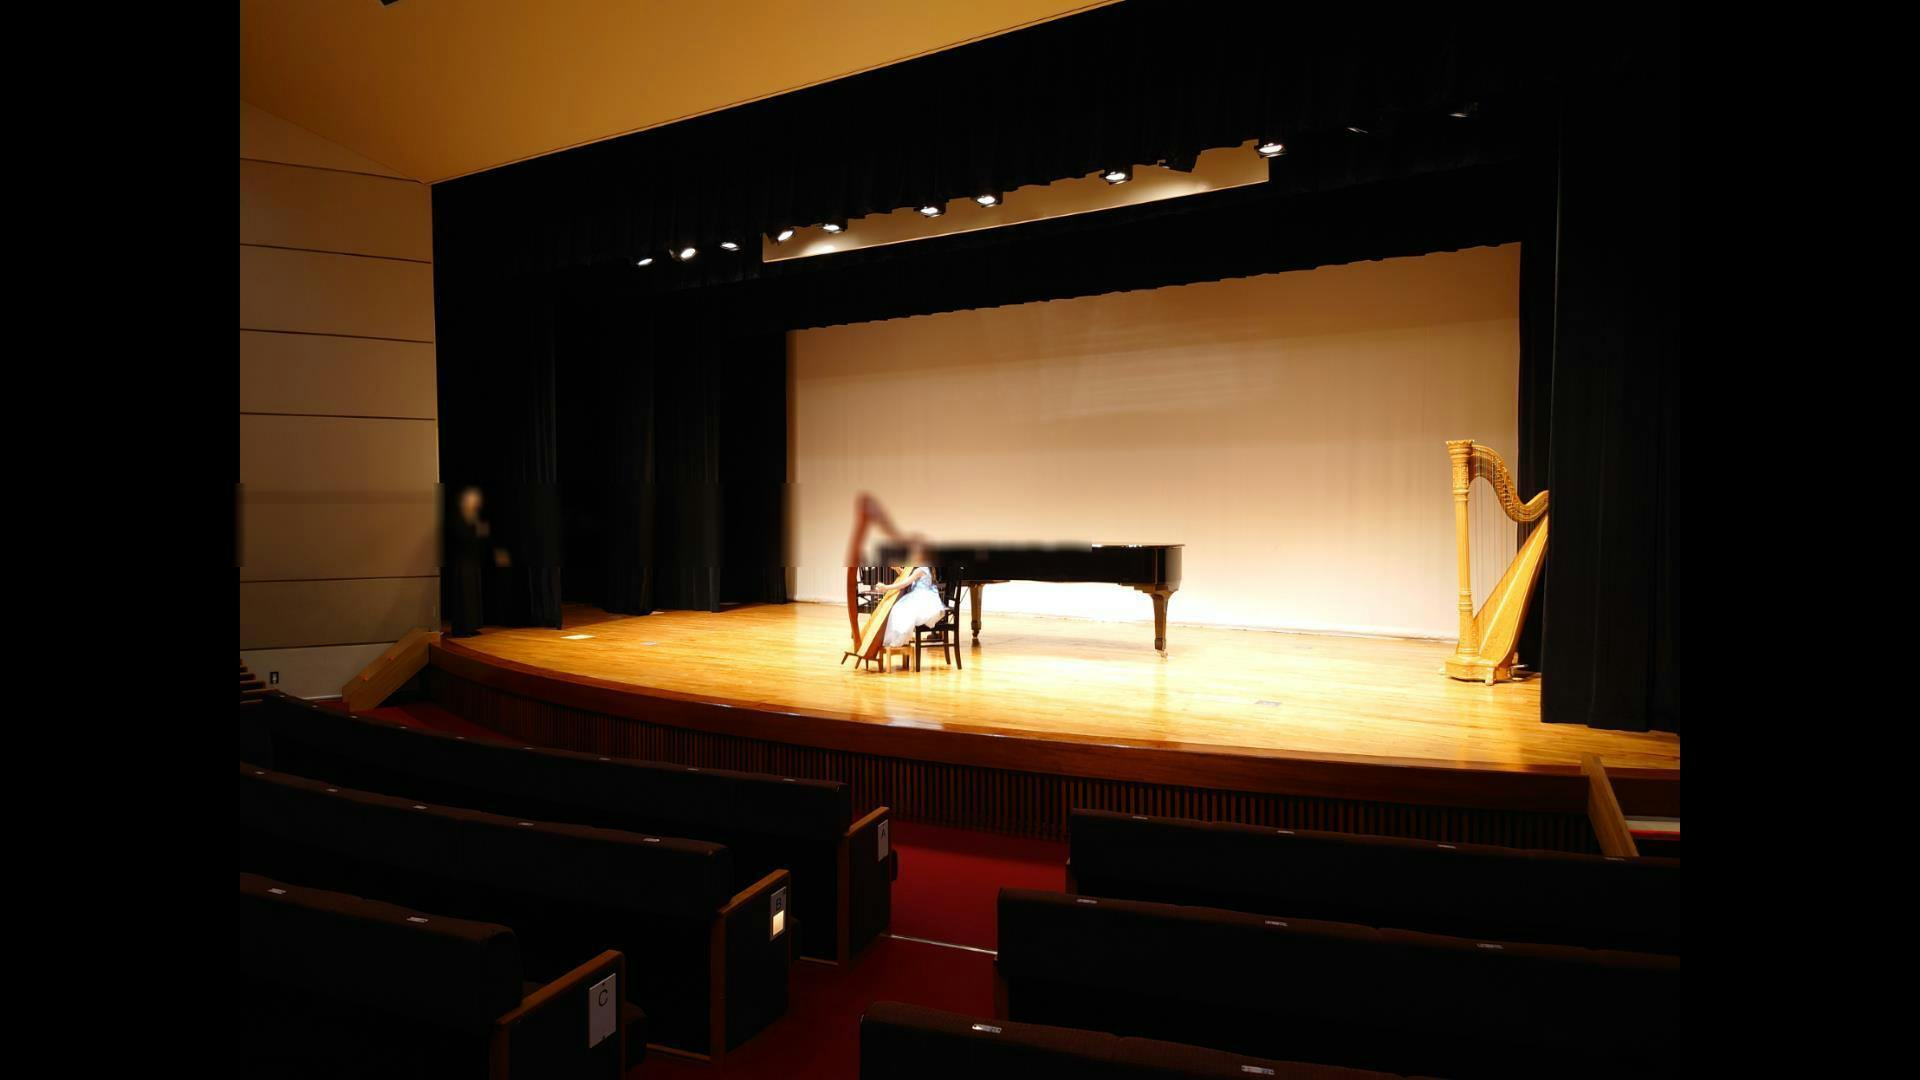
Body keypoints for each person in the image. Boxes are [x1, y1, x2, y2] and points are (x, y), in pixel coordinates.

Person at [447, 485, 510, 638]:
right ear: (465, 500)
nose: (476, 501)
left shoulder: (475, 516)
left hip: (473, 560)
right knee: (463, 594)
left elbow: (483, 537)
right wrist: (477, 531)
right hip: (461, 562)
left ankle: (472, 625)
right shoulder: (456, 517)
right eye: (473, 498)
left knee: (473, 594)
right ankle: (462, 628)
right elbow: (458, 537)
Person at [865, 539, 948, 648]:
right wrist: (898, 570)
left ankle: (900, 636)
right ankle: (901, 636)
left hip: (920, 597)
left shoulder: (920, 570)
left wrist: (886, 588)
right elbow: (909, 580)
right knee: (899, 608)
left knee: (899, 608)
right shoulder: (924, 569)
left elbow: (904, 584)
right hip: (923, 596)